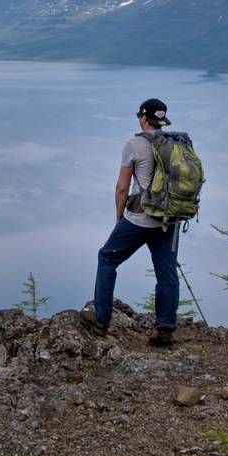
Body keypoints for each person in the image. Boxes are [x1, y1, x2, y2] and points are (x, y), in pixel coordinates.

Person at [81, 98, 180, 347]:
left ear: (144, 118)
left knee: (107, 258)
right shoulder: (175, 144)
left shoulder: (134, 145)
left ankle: (101, 318)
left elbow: (122, 187)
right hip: (168, 218)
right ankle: (165, 330)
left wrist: (119, 218)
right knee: (167, 272)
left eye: (140, 116)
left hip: (140, 219)